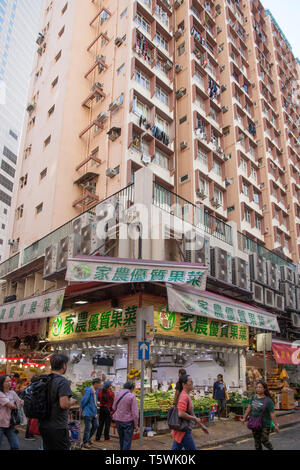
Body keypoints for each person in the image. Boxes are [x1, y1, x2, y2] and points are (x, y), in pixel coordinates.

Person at [39, 354, 77, 451]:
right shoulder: (62, 382)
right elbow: (63, 404)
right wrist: (72, 401)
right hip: (57, 426)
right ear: (64, 365)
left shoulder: (44, 379)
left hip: (43, 424)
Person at [171, 374, 209, 451]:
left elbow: (191, 413)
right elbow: (180, 413)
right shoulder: (184, 396)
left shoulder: (186, 395)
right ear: (184, 384)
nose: (192, 383)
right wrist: (194, 419)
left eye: (192, 382)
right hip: (184, 430)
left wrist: (201, 426)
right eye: (190, 382)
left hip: (183, 429)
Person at [242, 381, 279, 450]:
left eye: (260, 387)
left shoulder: (268, 401)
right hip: (255, 422)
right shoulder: (254, 397)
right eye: (257, 387)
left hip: (265, 424)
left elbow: (272, 413)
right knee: (257, 442)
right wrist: (244, 417)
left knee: (264, 440)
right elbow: (249, 407)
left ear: (264, 389)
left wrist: (275, 425)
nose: (258, 389)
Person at [112, 381, 139, 451]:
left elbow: (113, 407)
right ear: (132, 388)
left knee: (121, 439)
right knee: (127, 441)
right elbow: (135, 413)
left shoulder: (118, 394)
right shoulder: (131, 396)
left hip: (118, 420)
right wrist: (136, 424)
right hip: (128, 422)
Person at [0, 375, 24, 450]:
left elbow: (19, 401)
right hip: (0, 423)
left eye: (10, 381)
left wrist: (22, 401)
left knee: (15, 446)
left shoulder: (12, 393)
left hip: (10, 423)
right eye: (7, 381)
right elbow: (12, 405)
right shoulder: (0, 394)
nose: (9, 383)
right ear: (2, 383)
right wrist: (18, 404)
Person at [80, 378, 101, 449]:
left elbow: (95, 400)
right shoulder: (89, 390)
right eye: (99, 384)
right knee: (87, 428)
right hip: (88, 412)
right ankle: (85, 442)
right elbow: (84, 400)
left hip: (93, 412)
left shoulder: (96, 390)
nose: (100, 385)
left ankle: (88, 438)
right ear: (95, 384)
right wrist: (81, 407)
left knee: (96, 425)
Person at [24, 375, 40, 441]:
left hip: (27, 405)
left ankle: (29, 434)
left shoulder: (29, 386)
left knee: (29, 420)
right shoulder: (36, 387)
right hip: (32, 405)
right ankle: (28, 435)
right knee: (30, 421)